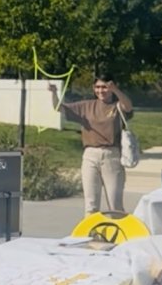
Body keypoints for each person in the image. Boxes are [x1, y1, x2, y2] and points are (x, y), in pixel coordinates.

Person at [49, 76, 134, 215]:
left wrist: (116, 90)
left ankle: (117, 228)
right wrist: (53, 93)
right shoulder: (86, 106)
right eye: (98, 87)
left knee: (115, 205)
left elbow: (128, 107)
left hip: (111, 156)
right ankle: (92, 229)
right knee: (91, 205)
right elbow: (59, 108)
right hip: (90, 155)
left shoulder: (117, 106)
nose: (101, 90)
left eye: (105, 87)